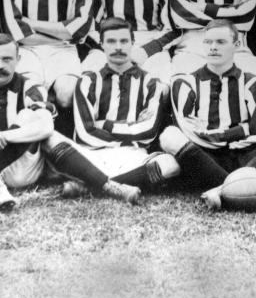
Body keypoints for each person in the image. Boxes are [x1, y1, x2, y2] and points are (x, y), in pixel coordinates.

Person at [0, 33, 141, 210]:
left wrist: (1, 136)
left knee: (30, 118)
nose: (0, 65)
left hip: (20, 171)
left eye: (7, 59)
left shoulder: (29, 86)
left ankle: (110, 186)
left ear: (18, 60)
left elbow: (46, 126)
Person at [157, 19, 256, 209]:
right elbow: (190, 132)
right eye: (208, 42)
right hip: (206, 157)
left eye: (221, 42)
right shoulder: (185, 82)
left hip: (247, 157)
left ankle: (219, 190)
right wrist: (241, 129)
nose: (213, 48)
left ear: (237, 45)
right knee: (169, 136)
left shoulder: (252, 82)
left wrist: (219, 134)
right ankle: (246, 188)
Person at [62, 18, 178, 197]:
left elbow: (148, 133)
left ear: (133, 43)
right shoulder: (88, 81)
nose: (118, 47)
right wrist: (130, 130)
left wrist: (105, 125)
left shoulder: (150, 83)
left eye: (124, 41)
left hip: (132, 154)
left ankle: (89, 186)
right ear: (101, 45)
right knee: (55, 142)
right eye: (111, 41)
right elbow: (85, 133)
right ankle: (117, 183)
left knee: (171, 165)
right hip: (94, 153)